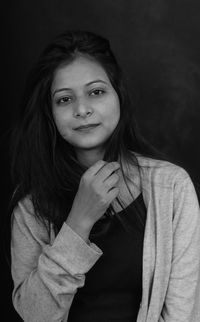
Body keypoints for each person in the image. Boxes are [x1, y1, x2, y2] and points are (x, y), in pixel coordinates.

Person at [10, 30, 200, 322]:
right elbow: (34, 316)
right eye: (64, 99)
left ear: (118, 95)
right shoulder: (31, 209)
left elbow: (183, 312)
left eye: (96, 92)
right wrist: (78, 222)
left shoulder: (172, 188)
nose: (82, 109)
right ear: (49, 113)